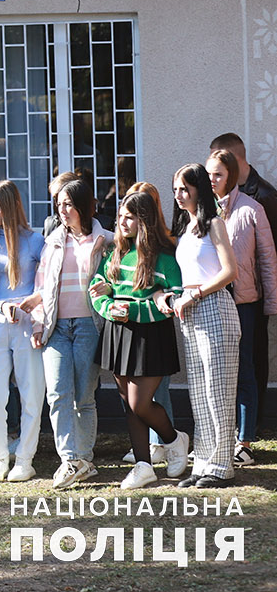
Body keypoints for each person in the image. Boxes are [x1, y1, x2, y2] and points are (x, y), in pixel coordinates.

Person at [91, 191, 188, 489]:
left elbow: (175, 297)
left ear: (144, 221)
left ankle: (174, 439)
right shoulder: (113, 252)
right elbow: (96, 287)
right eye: (120, 216)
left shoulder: (166, 257)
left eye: (130, 217)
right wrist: (108, 306)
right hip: (118, 333)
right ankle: (144, 465)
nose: (122, 222)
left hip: (151, 335)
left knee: (140, 403)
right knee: (128, 405)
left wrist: (130, 309)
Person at [27, 177, 112, 489]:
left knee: (84, 396)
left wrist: (111, 286)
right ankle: (70, 459)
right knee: (58, 393)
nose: (62, 210)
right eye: (59, 204)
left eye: (68, 204)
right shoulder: (52, 241)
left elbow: (117, 278)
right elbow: (41, 286)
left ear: (83, 207)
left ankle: (85, 460)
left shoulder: (106, 241)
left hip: (89, 325)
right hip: (57, 327)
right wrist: (38, 322)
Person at [163, 163, 241, 488]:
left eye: (185, 189)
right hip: (190, 313)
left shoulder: (214, 224)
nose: (179, 195)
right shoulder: (186, 228)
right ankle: (204, 463)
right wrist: (174, 297)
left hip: (215, 310)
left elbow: (230, 272)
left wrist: (194, 295)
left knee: (218, 392)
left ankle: (222, 467)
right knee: (198, 391)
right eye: (175, 190)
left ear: (199, 189)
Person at [206, 149, 276, 468]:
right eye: (208, 174)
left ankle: (245, 442)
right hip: (211, 306)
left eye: (218, 175)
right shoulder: (200, 213)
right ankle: (218, 439)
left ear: (231, 176)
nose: (212, 180)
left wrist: (271, 303)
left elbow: (267, 259)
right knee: (216, 373)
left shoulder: (251, 210)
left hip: (244, 303)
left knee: (244, 370)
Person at [0, 180, 45, 483]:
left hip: (28, 326)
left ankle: (24, 460)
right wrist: (0, 307)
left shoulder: (36, 241)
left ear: (13, 205)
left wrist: (31, 309)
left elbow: (44, 286)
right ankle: (0, 457)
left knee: (31, 395)